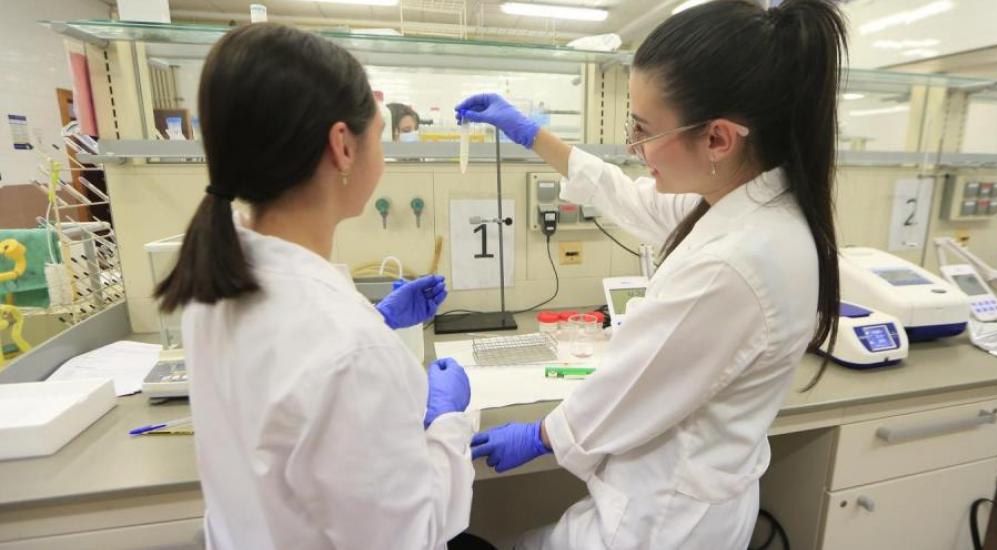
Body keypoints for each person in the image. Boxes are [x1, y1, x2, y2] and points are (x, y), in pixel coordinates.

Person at [457, 0, 845, 547]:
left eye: (642, 128)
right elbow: (635, 201)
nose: (633, 148)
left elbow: (630, 385)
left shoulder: (732, 262)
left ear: (717, 138)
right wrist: (533, 136)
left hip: (666, 521)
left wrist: (543, 433)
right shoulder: (755, 206)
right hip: (692, 496)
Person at [154, 24, 474, 549]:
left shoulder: (212, 285)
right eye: (379, 133)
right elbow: (410, 536)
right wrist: (446, 423)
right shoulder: (347, 349)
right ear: (342, 146)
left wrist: (376, 318)